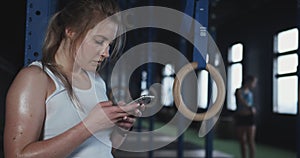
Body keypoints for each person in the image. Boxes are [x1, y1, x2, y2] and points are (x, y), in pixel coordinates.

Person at [4, 0, 144, 157]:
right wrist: (89, 126)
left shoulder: (97, 81)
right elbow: (16, 155)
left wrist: (121, 130)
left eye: (109, 44)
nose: (106, 53)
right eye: (99, 41)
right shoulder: (36, 78)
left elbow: (102, 150)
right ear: (71, 31)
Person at [234, 75, 258, 158]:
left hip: (249, 118)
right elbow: (241, 100)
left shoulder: (251, 93)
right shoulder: (238, 91)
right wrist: (250, 107)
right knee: (242, 141)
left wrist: (251, 109)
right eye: (253, 82)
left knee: (251, 141)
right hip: (241, 117)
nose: (254, 84)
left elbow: (249, 103)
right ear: (248, 82)